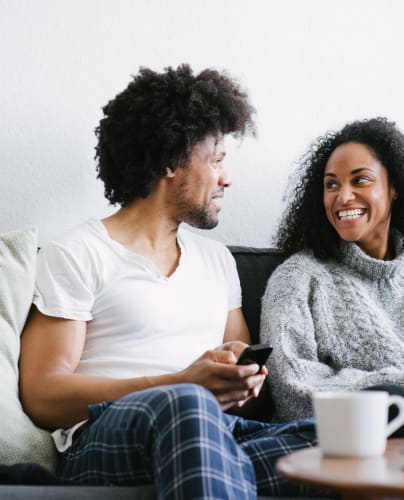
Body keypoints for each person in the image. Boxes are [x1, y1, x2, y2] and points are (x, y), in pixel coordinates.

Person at [19, 65, 319, 499]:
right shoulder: (78, 252)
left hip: (215, 431)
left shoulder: (216, 261)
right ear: (170, 161)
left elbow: (250, 397)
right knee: (189, 406)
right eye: (215, 160)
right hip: (106, 438)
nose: (226, 177)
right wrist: (182, 382)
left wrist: (240, 377)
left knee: (343, 443)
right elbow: (43, 394)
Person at [260, 117, 404, 426]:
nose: (342, 196)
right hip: (383, 440)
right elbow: (293, 393)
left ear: (394, 188)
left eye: (360, 180)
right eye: (331, 184)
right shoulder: (298, 279)